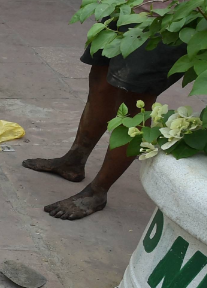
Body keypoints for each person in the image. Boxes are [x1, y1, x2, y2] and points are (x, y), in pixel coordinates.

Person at [22, 20, 185, 220]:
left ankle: (97, 191)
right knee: (100, 79)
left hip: (168, 18)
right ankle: (74, 160)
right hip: (126, 8)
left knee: (135, 101)